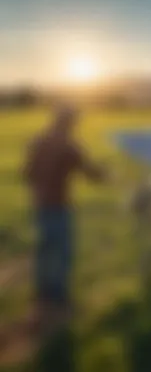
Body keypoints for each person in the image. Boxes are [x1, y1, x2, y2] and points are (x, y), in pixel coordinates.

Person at [23, 105, 108, 326]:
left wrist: (39, 190)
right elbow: (90, 173)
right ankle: (59, 297)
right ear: (70, 122)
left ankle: (43, 293)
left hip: (39, 205)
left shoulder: (38, 141)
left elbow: (27, 173)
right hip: (59, 206)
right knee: (63, 252)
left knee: (45, 248)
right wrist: (105, 174)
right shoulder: (69, 146)